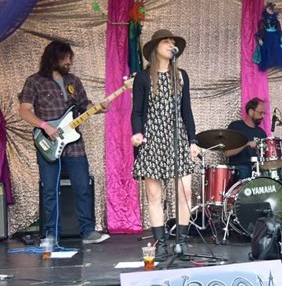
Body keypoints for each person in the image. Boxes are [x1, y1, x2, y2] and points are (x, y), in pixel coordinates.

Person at [19, 40, 111, 244]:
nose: (69, 61)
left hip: (74, 144)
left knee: (82, 187)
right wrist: (45, 126)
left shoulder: (74, 81)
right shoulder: (34, 81)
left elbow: (84, 105)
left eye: (70, 57)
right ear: (53, 58)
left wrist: (98, 108)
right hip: (49, 143)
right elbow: (24, 111)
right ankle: (52, 234)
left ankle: (88, 232)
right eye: (65, 58)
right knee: (50, 190)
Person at [131, 29, 200, 261]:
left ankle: (181, 241)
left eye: (173, 42)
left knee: (185, 191)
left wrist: (193, 140)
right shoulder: (143, 78)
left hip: (177, 136)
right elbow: (137, 111)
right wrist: (137, 133)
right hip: (153, 137)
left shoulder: (181, 76)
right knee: (154, 194)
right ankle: (160, 243)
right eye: (166, 42)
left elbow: (186, 110)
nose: (171, 45)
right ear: (155, 48)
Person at [224, 98, 268, 181]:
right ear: (251, 112)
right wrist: (246, 144)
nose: (262, 116)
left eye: (264, 113)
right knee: (245, 170)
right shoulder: (235, 127)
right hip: (239, 168)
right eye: (260, 113)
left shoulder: (261, 132)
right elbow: (227, 153)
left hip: (257, 168)